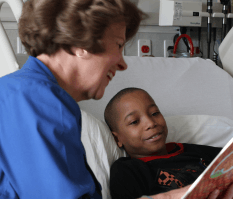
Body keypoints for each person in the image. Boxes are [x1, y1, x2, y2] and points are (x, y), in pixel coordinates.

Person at [0, 0, 144, 198]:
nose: (122, 64)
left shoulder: (22, 92)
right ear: (80, 42)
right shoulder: (37, 99)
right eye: (118, 45)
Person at [104, 87, 233, 199]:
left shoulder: (192, 151)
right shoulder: (128, 170)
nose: (150, 123)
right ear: (118, 139)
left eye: (154, 113)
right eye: (134, 122)